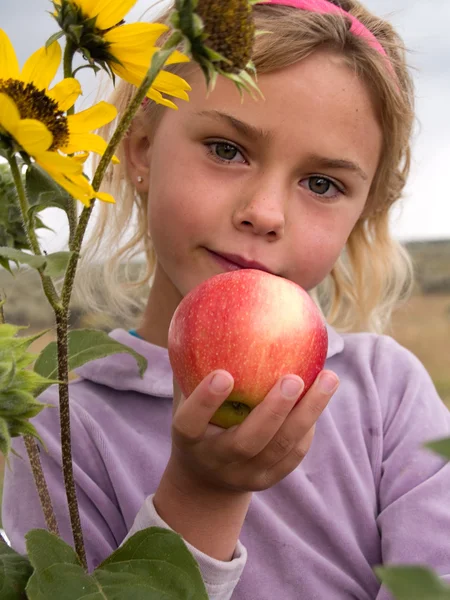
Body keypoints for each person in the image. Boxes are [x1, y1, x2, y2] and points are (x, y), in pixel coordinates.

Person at [3, 0, 450, 598]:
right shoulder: (58, 423)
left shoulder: (387, 393)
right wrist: (201, 495)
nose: (264, 213)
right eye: (226, 149)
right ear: (139, 150)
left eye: (322, 184)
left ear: (361, 213)